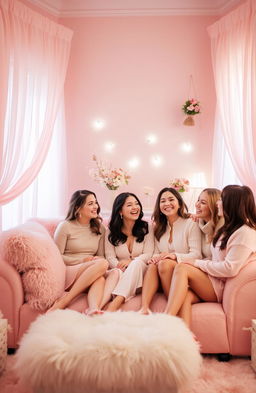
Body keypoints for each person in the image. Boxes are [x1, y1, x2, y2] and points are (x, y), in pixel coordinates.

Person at [164, 185, 256, 328]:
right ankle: (185, 338)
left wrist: (196, 263)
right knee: (185, 296)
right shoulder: (229, 229)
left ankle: (165, 320)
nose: (218, 203)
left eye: (221, 200)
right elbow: (215, 258)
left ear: (231, 204)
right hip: (215, 279)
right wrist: (196, 262)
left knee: (182, 268)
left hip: (221, 285)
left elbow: (230, 268)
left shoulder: (245, 233)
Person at [49, 190, 119, 314]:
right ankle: (66, 300)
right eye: (90, 203)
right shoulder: (65, 226)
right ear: (78, 208)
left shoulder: (100, 228)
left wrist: (95, 261)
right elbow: (56, 256)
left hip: (91, 269)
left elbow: (101, 256)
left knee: (110, 274)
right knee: (102, 264)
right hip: (70, 269)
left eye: (96, 202)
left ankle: (94, 309)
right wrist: (82, 260)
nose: (95, 207)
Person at [140, 187, 202, 315]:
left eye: (171, 199)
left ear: (179, 203)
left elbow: (196, 254)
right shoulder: (158, 227)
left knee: (165, 263)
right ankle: (144, 308)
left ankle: (174, 303)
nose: (167, 204)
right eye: (162, 201)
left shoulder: (191, 223)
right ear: (159, 206)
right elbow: (157, 252)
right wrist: (155, 258)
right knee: (152, 266)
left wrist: (173, 256)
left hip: (183, 275)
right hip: (163, 276)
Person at [105, 192, 154, 311]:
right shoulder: (110, 231)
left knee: (136, 263)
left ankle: (115, 304)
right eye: (129, 205)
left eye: (137, 204)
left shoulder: (147, 228)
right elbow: (109, 256)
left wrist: (131, 261)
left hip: (142, 274)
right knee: (117, 273)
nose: (135, 207)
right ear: (120, 211)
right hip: (121, 273)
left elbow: (148, 253)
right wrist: (119, 267)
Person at [192, 188, 224, 258]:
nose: (197, 205)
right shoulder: (198, 223)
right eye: (198, 200)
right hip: (205, 265)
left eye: (203, 203)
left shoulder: (223, 227)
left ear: (214, 207)